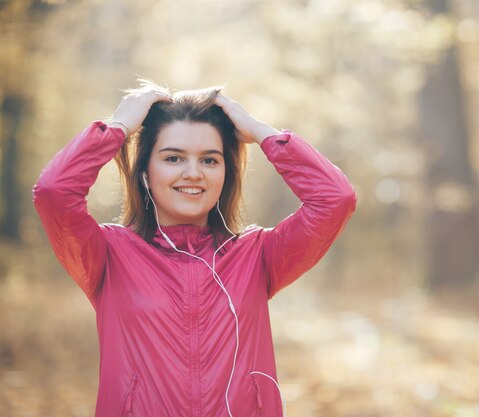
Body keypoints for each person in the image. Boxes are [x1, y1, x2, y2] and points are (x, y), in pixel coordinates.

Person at [32, 81, 357, 417]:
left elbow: (335, 199)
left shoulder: (257, 254)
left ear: (225, 174)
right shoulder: (108, 254)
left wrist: (262, 133)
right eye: (173, 158)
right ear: (145, 174)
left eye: (210, 160)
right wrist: (118, 128)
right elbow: (54, 192)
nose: (193, 173)